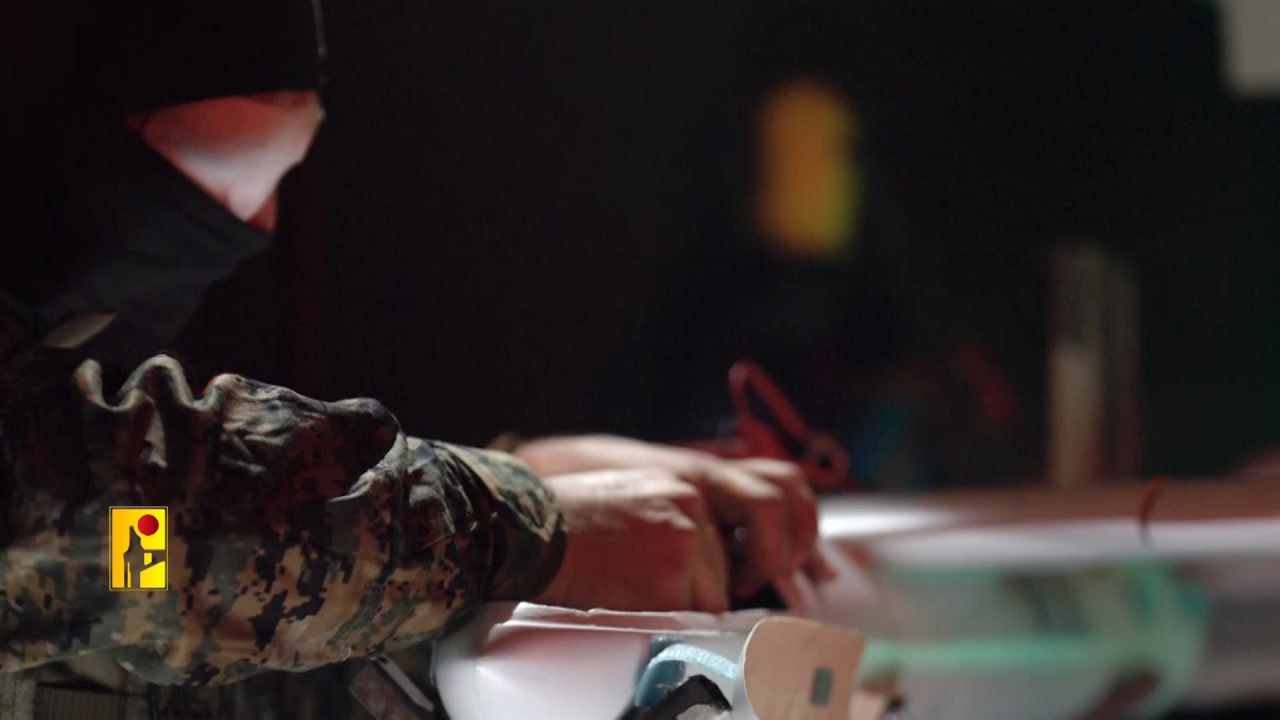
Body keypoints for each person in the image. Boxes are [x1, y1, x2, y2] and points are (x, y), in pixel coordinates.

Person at [0, 2, 828, 715]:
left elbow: (151, 601)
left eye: (282, 172)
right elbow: (124, 532)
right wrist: (526, 524)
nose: (255, 221)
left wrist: (512, 491)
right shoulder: (112, 532)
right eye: (225, 166)